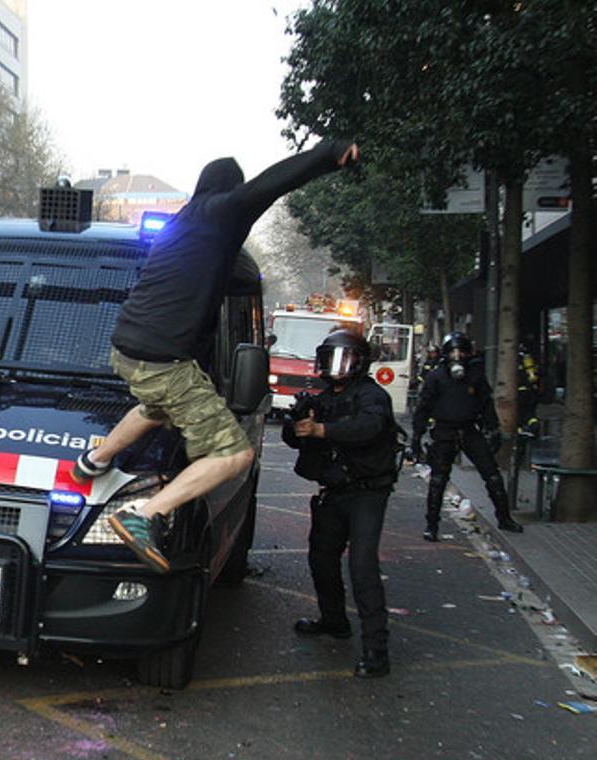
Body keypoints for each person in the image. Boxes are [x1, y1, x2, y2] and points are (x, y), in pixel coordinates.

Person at [71, 139, 361, 573]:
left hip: (127, 350)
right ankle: (143, 515)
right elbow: (274, 182)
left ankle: (91, 462)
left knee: (157, 407)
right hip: (160, 359)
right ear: (229, 192)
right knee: (233, 456)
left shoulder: (184, 225)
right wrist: (330, 153)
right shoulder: (222, 210)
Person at [283, 329, 399, 679]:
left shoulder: (371, 396)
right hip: (333, 491)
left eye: (344, 358)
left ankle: (376, 653)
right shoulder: (323, 397)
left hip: (366, 492)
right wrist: (298, 423)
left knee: (363, 567)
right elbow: (294, 439)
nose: (336, 367)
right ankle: (334, 621)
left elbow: (370, 428)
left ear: (359, 362)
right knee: (321, 557)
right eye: (331, 358)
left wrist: (323, 431)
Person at [412, 332, 523, 541]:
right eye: (453, 352)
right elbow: (423, 408)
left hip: (470, 430)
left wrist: (493, 429)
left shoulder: (475, 376)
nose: (457, 356)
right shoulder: (436, 377)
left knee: (492, 475)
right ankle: (432, 525)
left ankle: (504, 517)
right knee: (438, 480)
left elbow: (486, 404)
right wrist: (416, 437)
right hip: (445, 432)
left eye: (461, 351)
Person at [516, 335, 540, 436]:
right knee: (530, 413)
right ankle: (534, 425)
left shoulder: (515, 359)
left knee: (519, 414)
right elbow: (533, 377)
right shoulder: (528, 359)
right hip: (530, 391)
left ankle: (520, 432)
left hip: (519, 392)